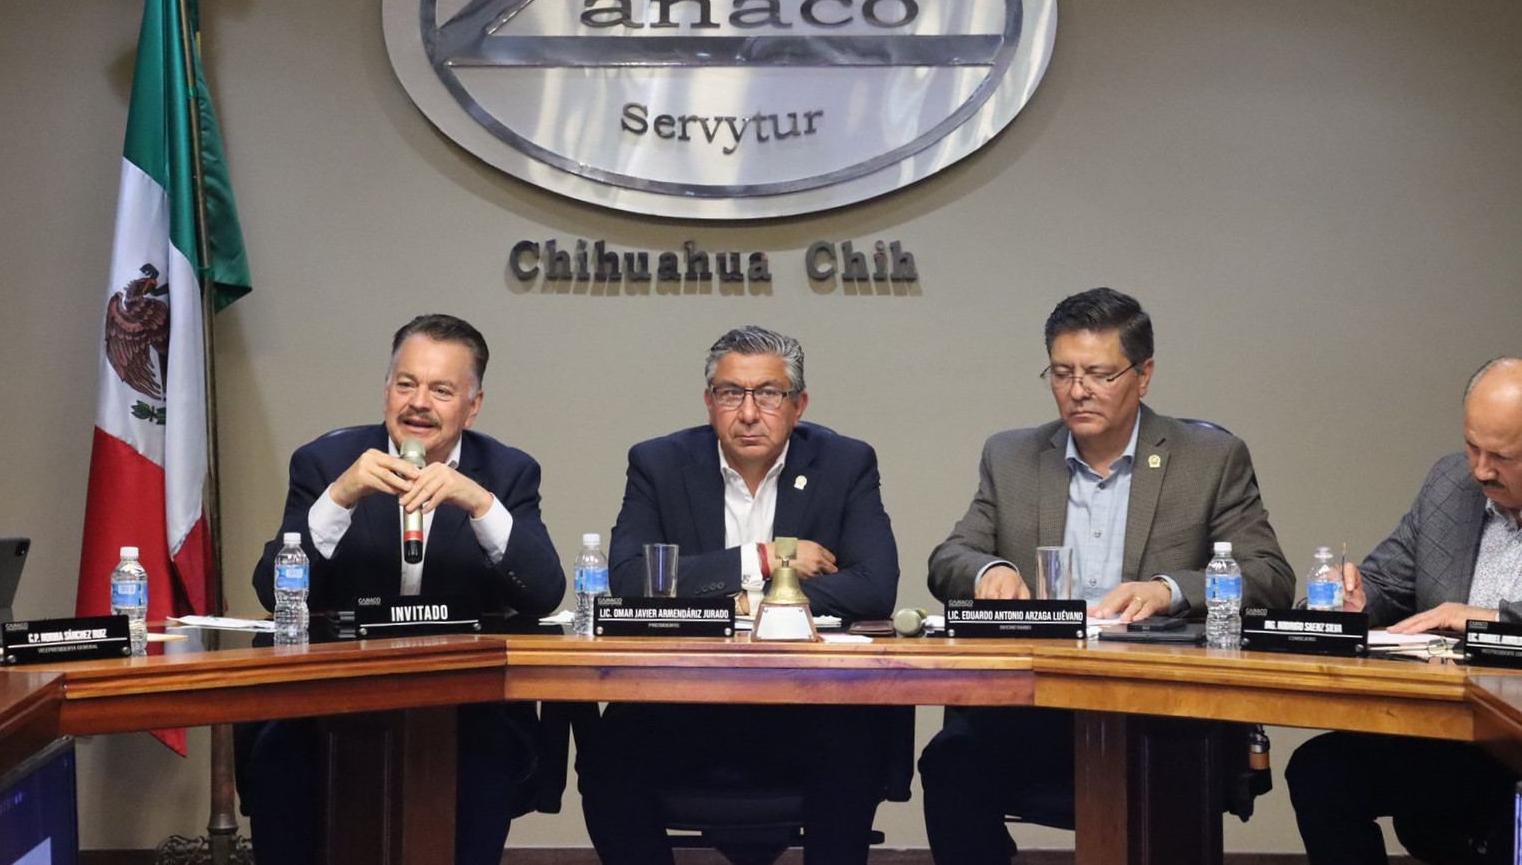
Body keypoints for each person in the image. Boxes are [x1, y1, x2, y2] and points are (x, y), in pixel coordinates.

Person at [920, 287, 1294, 863]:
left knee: (1168, 776)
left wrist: (1169, 590)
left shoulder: (1209, 459)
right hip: (1037, 706)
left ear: (1143, 376)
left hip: (1158, 708)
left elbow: (1269, 576)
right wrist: (989, 570)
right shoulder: (1012, 457)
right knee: (950, 760)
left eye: (1099, 374)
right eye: (1062, 373)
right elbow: (951, 557)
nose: (1078, 391)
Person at [237, 314, 565, 865]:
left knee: (487, 766)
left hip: (465, 703)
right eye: (406, 384)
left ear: (473, 406)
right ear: (386, 388)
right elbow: (273, 593)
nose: (419, 404)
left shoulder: (508, 471)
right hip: (330, 695)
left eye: (442, 390)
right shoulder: (325, 462)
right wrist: (340, 496)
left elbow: (543, 593)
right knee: (279, 765)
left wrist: (480, 503)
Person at [577, 325, 900, 865]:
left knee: (854, 747)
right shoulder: (658, 463)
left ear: (798, 405)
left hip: (807, 703)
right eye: (731, 393)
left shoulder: (845, 463)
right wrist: (764, 559)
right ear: (710, 402)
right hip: (679, 700)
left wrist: (747, 603)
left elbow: (874, 587)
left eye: (769, 394)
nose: (749, 413)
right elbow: (631, 581)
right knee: (608, 755)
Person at [1286, 357, 1522, 864]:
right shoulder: (1450, 485)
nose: (1481, 469)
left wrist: (1484, 620)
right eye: (1472, 447)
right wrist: (1356, 597)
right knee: (1321, 773)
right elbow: (1388, 579)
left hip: (1517, 737)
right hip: (1452, 727)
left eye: (1502, 457)